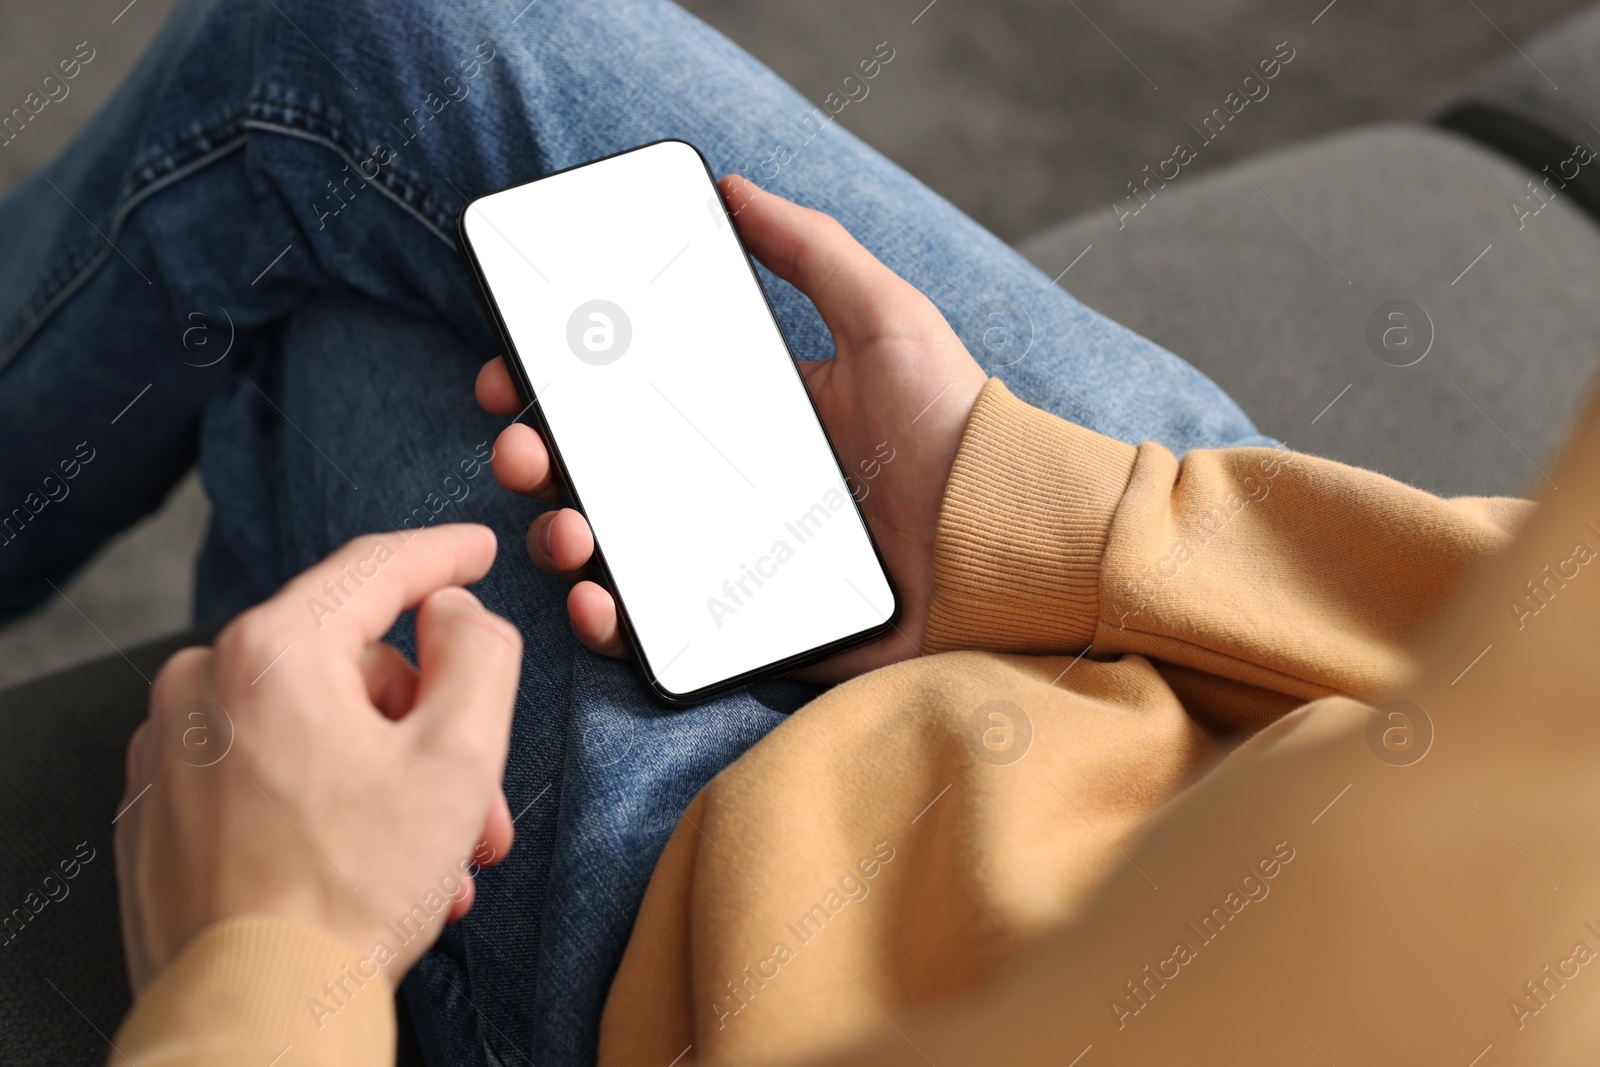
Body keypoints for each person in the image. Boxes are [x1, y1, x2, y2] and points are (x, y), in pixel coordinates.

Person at [5, 0, 1595, 1065]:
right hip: (1277, 629)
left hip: (748, 952)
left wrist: (286, 956)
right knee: (374, 46)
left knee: (319, 280)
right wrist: (1040, 509)